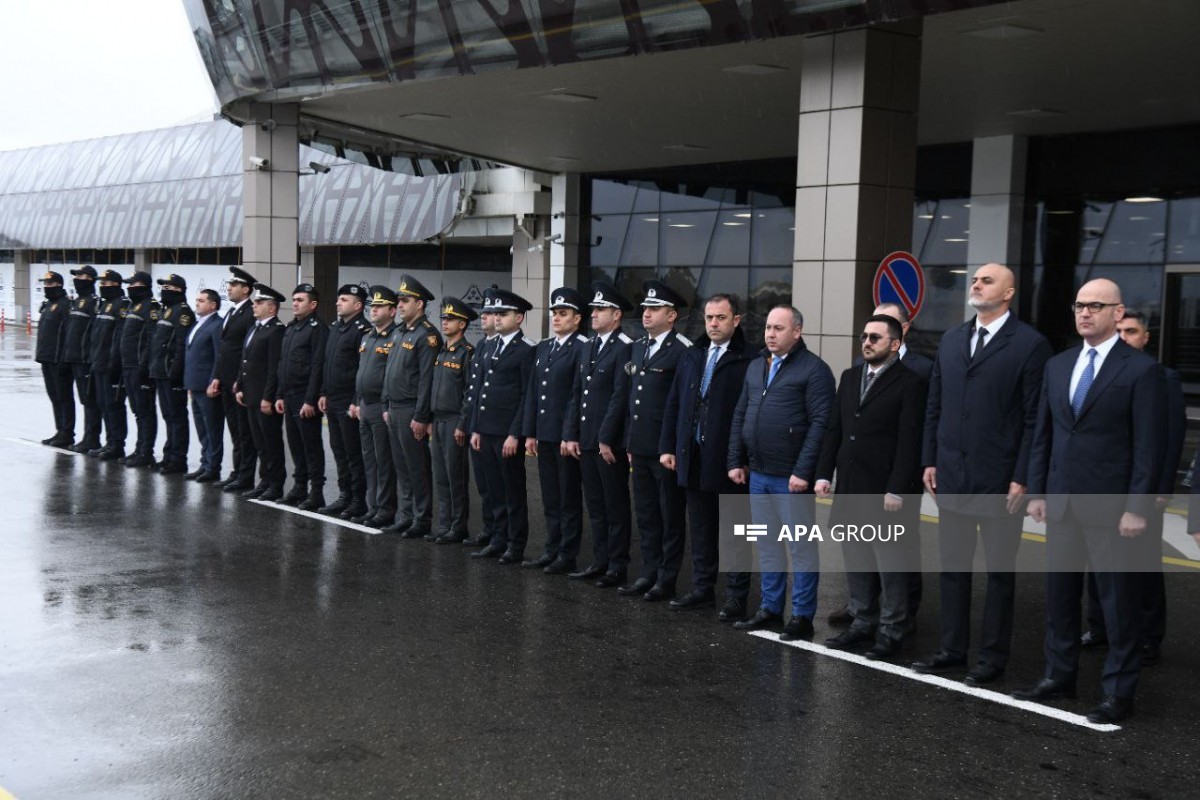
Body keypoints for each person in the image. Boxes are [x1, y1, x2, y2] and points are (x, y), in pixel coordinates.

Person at [1016, 279, 1165, 725]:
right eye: (1079, 305)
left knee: (1118, 604)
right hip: (1061, 503)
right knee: (1060, 598)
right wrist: (1038, 492)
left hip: (1113, 509)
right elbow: (1044, 434)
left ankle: (1118, 692)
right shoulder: (1059, 366)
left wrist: (1137, 507)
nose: (1085, 313)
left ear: (1118, 314)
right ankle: (1059, 676)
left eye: (1096, 306)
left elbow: (1148, 447)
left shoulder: (1141, 371)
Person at [912, 263, 1052, 687]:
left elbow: (1034, 419)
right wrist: (929, 459)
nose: (976, 283)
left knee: (998, 574)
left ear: (1009, 293)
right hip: (951, 474)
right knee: (952, 567)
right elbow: (935, 404)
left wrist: (1023, 476)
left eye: (987, 280)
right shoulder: (953, 339)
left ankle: (991, 659)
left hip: (1000, 481)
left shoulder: (1030, 345)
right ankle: (952, 650)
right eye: (974, 279)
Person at [814, 315, 926, 659]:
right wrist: (823, 473)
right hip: (850, 487)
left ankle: (893, 630)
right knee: (857, 559)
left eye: (875, 337)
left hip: (884, 491)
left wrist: (897, 488)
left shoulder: (911, 382)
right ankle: (863, 622)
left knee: (889, 564)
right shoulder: (849, 378)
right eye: (864, 336)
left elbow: (910, 442)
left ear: (894, 344)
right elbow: (833, 429)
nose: (866, 342)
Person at [1079, 310, 1184, 666]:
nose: (1125, 337)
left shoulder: (1161, 377)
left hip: (1143, 490)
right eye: (1120, 331)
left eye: (1132, 331)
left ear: (1145, 338)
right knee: (1098, 563)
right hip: (1105, 487)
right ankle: (1100, 627)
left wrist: (1161, 488)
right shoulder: (1100, 374)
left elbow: (1167, 439)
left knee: (1144, 565)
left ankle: (1148, 636)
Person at [728, 305, 835, 641]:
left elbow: (821, 424)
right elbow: (740, 414)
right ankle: (770, 608)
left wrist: (804, 470)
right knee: (767, 544)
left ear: (797, 332)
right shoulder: (757, 365)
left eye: (778, 328)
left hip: (791, 477)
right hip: (757, 473)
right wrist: (735, 459)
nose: (770, 334)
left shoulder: (814, 370)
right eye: (768, 328)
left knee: (801, 547)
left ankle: (801, 616)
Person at [659, 293, 754, 620]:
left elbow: (751, 414)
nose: (713, 324)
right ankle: (702, 589)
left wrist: (742, 458)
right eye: (709, 317)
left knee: (737, 532)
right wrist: (668, 446)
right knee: (701, 528)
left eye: (721, 318)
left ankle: (736, 596)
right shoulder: (693, 355)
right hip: (693, 455)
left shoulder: (749, 359)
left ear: (736, 320)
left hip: (730, 462)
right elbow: (675, 404)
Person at [605, 280, 692, 602]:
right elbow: (631, 399)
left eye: (654, 309)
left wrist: (672, 446)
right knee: (646, 514)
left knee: (669, 516)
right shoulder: (639, 347)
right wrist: (628, 441)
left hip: (664, 448)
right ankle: (648, 572)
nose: (646, 314)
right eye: (644, 309)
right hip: (639, 445)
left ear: (672, 316)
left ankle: (666, 578)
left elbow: (682, 404)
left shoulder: (683, 350)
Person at [564, 282, 634, 588]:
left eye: (600, 309)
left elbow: (621, 396)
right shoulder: (589, 346)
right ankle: (600, 560)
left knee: (614, 505)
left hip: (609, 443)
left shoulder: (625, 347)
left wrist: (606, 438)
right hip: (587, 439)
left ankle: (617, 566)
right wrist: (571, 434)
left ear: (616, 315)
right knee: (595, 504)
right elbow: (577, 393)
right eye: (593, 309)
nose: (593, 314)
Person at [522, 287, 589, 573]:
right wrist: (531, 432)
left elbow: (577, 395)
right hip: (545, 433)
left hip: (565, 436)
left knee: (568, 497)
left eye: (563, 314)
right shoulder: (545, 347)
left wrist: (568, 433)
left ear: (577, 319)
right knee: (550, 496)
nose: (557, 318)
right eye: (554, 313)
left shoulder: (582, 347)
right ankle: (551, 547)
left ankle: (567, 553)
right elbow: (534, 392)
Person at [468, 289, 535, 564]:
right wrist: (476, 428)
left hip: (507, 432)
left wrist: (514, 433)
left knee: (512, 491)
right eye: (494, 313)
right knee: (493, 489)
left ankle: (515, 544)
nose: (496, 318)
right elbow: (479, 390)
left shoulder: (527, 349)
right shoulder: (489, 345)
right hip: (486, 429)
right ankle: (497, 538)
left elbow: (526, 395)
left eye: (502, 314)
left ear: (518, 318)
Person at [380, 275, 441, 537]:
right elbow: (388, 372)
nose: (400, 305)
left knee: (417, 467)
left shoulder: (427, 336)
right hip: (394, 407)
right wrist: (385, 403)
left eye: (405, 301)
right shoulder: (398, 332)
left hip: (410, 409)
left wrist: (421, 415)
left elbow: (427, 380)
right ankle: (405, 514)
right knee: (401, 466)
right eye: (399, 301)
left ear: (420, 304)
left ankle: (421, 517)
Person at [318, 284, 372, 519]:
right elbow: (327, 363)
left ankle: (358, 500)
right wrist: (322, 393)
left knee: (353, 454)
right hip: (332, 399)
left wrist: (355, 400)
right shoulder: (336, 328)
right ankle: (344, 496)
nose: (338, 303)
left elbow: (362, 369)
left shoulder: (363, 330)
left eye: (344, 299)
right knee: (339, 452)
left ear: (358, 305)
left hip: (349, 401)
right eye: (338, 299)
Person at [276, 283, 330, 510]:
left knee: (311, 446)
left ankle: (316, 492)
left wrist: (310, 399)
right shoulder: (291, 328)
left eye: (300, 300)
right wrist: (279, 394)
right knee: (296, 445)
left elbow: (318, 366)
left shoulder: (318, 329)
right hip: (289, 396)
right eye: (294, 299)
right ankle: (299, 486)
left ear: (313, 304)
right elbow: (283, 363)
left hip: (304, 397)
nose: (295, 303)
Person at [350, 287, 400, 527]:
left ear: (392, 311)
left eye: (379, 306)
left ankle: (385, 508)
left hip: (381, 406)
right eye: (372, 306)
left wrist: (387, 405)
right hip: (365, 405)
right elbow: (361, 371)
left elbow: (393, 376)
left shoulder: (396, 337)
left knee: (383, 461)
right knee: (369, 460)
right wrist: (356, 401)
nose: (373, 310)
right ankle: (372, 506)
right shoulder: (367, 335)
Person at [430, 297, 477, 544]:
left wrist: (462, 424)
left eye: (451, 319)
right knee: (440, 475)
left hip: (453, 421)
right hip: (437, 420)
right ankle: (445, 523)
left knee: (455, 475)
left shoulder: (467, 353)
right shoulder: (442, 352)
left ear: (463, 324)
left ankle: (458, 526)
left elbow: (470, 392)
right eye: (444, 319)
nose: (445, 323)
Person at [235, 284, 287, 501]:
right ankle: (264, 480)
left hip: (264, 396)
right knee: (259, 442)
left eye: (259, 303)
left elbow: (274, 367)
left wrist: (268, 396)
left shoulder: (276, 330)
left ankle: (275, 484)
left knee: (271, 442)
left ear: (272, 308)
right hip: (251, 394)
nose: (254, 305)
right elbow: (245, 360)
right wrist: (240, 386)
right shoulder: (255, 328)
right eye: (255, 302)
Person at [461, 289, 501, 549]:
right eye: (484, 313)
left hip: (498, 428)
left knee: (500, 488)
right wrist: (470, 425)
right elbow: (473, 391)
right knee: (485, 485)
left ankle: (502, 535)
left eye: (490, 313)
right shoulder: (483, 346)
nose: (484, 318)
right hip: (479, 426)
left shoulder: (509, 346)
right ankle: (490, 530)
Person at [214, 267, 259, 493]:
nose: (229, 288)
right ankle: (237, 471)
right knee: (234, 430)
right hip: (225, 380)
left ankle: (246, 475)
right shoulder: (233, 312)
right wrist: (216, 377)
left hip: (238, 383)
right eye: (229, 285)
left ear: (246, 289)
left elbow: (246, 351)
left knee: (244, 432)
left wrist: (239, 381)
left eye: (234, 285)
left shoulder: (251, 313)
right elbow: (224, 349)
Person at [148, 273, 195, 474]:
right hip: (160, 371)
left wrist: (176, 371)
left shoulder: (183, 313)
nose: (164, 290)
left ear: (180, 291)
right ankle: (168, 454)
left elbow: (181, 345)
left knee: (177, 416)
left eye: (169, 287)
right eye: (163, 287)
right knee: (168, 416)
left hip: (171, 373)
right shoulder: (165, 310)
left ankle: (178, 458)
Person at [86, 270, 130, 460]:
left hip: (111, 365)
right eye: (101, 283)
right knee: (103, 404)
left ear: (116, 285)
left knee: (114, 405)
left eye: (106, 283)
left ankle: (117, 444)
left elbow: (118, 337)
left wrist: (114, 363)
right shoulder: (105, 304)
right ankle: (109, 442)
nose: (102, 286)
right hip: (99, 362)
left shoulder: (122, 305)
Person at [118, 272, 159, 467]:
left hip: (139, 367)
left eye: (133, 284)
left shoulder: (151, 308)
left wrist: (144, 367)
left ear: (143, 285)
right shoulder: (133, 306)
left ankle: (146, 452)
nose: (129, 288)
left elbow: (150, 340)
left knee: (145, 411)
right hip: (128, 365)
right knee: (137, 411)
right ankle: (139, 448)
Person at [184, 289, 225, 482]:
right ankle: (205, 463)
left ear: (213, 305)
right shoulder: (197, 324)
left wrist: (214, 380)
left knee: (212, 428)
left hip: (208, 387)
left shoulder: (217, 325)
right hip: (195, 385)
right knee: (202, 428)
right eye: (197, 300)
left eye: (201, 300)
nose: (197, 303)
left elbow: (219, 356)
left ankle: (213, 466)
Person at [61, 265, 101, 454]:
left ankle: (92, 438)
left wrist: (90, 355)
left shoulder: (94, 302)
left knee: (90, 400)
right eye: (76, 275)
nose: (78, 278)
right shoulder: (77, 301)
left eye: (82, 276)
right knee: (84, 399)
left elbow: (95, 333)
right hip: (74, 358)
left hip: (86, 359)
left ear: (92, 280)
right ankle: (87, 437)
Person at [35, 271, 76, 448]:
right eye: (45, 284)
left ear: (59, 285)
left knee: (64, 397)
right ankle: (59, 430)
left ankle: (67, 432)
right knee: (54, 397)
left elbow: (69, 334)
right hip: (46, 358)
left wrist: (64, 359)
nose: (47, 287)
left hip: (59, 359)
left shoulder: (65, 305)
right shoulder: (48, 304)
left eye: (51, 284)